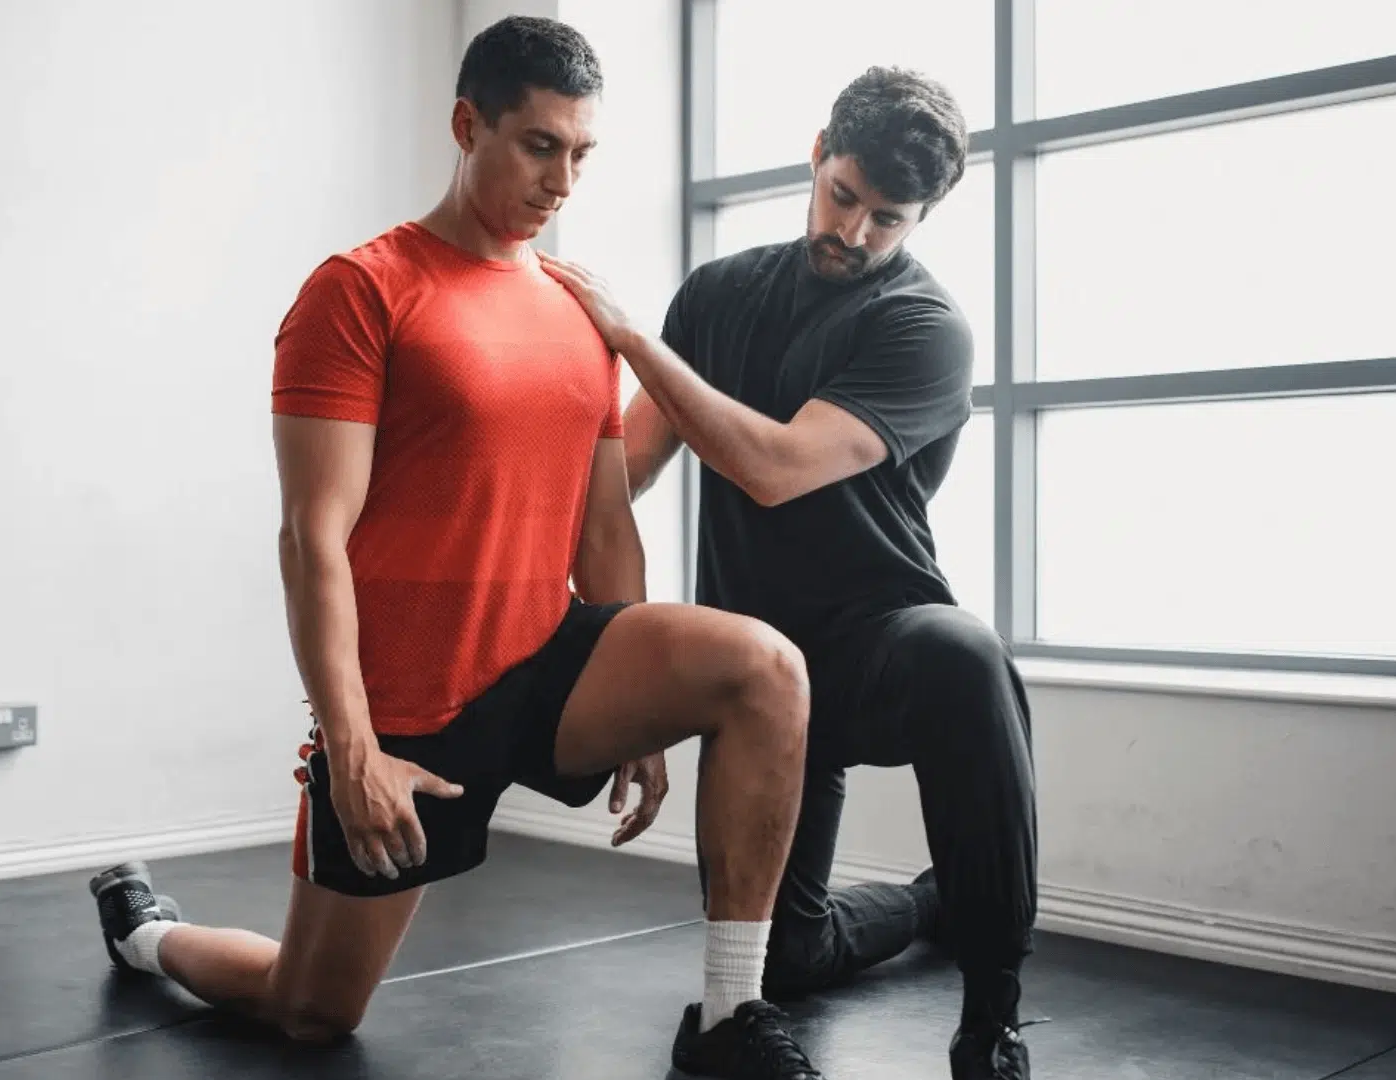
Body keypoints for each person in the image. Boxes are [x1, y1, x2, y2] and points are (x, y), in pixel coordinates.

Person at [85, 18, 832, 1079]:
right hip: (408, 711)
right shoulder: (362, 289)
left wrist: (649, 723)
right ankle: (145, 930)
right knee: (311, 1011)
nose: (562, 180)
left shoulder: (579, 311)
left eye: (582, 153)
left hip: (544, 660)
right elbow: (313, 538)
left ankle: (727, 1018)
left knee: (765, 669)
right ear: (465, 124)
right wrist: (350, 748)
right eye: (538, 146)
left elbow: (604, 524)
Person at [538, 66, 1039, 1080]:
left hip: (873, 645)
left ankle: (992, 1016)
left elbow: (772, 468)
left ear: (923, 216)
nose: (854, 234)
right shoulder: (721, 296)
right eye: (844, 196)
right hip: (756, 670)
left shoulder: (924, 329)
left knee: (965, 655)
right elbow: (622, 468)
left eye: (887, 220)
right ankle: (934, 901)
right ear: (817, 155)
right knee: (792, 960)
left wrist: (630, 337)